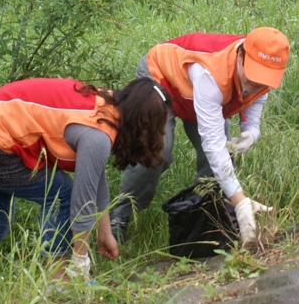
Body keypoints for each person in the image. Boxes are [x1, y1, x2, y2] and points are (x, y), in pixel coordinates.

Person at [0, 77, 171, 283]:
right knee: (62, 195)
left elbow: (94, 178)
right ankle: (58, 281)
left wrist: (105, 232)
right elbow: (81, 203)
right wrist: (80, 262)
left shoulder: (103, 108)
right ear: (146, 124)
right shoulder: (97, 135)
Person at [110, 27, 289, 247]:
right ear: (241, 56)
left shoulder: (263, 75)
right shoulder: (212, 74)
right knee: (157, 152)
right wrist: (240, 202)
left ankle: (201, 220)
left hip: (197, 94)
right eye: (253, 76)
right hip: (162, 80)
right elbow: (213, 145)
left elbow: (253, 109)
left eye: (264, 79)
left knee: (217, 164)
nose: (257, 84)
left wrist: (251, 134)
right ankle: (119, 218)